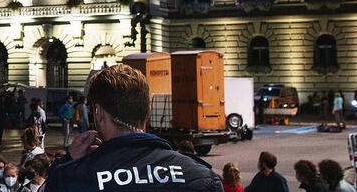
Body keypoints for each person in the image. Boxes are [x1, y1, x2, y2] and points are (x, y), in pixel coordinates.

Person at [44, 64, 223, 191]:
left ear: (98, 112)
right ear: (149, 109)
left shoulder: (72, 179)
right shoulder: (201, 176)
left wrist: (67, 162)